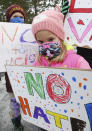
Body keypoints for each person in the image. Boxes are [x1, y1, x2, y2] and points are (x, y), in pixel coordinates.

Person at [5, 4, 26, 131]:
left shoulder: (30, 34)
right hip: (11, 78)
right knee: (14, 103)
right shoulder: (3, 35)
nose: (18, 19)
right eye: (15, 16)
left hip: (28, 75)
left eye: (20, 17)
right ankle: (16, 123)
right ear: (9, 19)